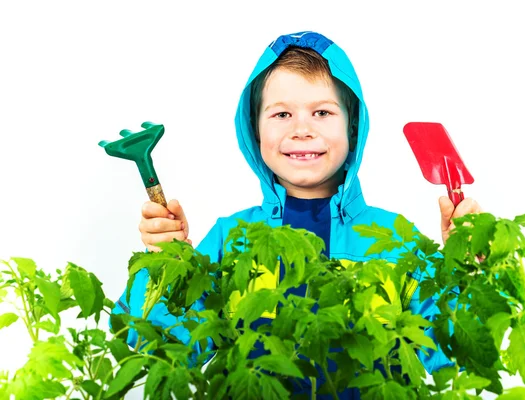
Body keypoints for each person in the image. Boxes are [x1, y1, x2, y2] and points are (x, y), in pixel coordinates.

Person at [112, 30, 481, 396]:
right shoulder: (231, 239)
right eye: (282, 114)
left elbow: (459, 352)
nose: (302, 129)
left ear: (353, 127)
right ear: (254, 130)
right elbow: (163, 349)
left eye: (322, 112)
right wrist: (164, 266)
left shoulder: (396, 240)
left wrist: (468, 270)